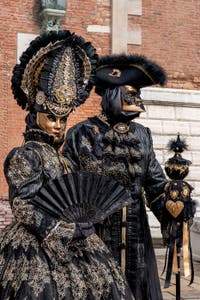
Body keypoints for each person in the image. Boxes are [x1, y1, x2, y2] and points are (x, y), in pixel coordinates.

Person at [0, 32, 134, 300]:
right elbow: (24, 207)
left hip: (77, 241)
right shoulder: (24, 156)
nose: (58, 125)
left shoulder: (63, 159)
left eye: (63, 119)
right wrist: (62, 229)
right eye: (51, 117)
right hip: (35, 242)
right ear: (35, 114)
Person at [62, 54, 169, 300]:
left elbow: (155, 184)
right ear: (113, 94)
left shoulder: (142, 135)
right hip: (95, 236)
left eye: (138, 94)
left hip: (136, 239)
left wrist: (173, 205)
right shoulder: (81, 134)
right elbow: (66, 188)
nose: (138, 100)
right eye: (132, 93)